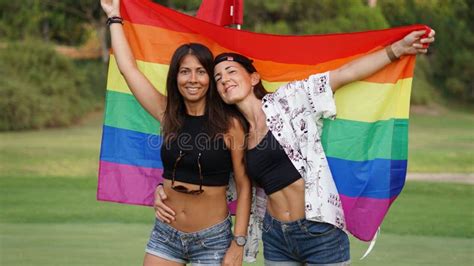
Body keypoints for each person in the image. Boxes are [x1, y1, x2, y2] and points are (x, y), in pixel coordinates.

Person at [156, 28, 436, 265]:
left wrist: (397, 49)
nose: (224, 79)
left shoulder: (290, 100)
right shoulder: (236, 130)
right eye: (217, 78)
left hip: (319, 229)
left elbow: (345, 74)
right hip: (275, 236)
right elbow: (207, 172)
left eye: (230, 71)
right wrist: (162, 190)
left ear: (253, 78)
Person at [100, 1, 252, 265]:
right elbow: (128, 69)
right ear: (175, 77)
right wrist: (114, 17)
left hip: (212, 240)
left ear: (210, 78)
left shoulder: (230, 125)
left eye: (200, 72)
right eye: (184, 71)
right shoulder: (166, 112)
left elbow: (244, 185)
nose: (192, 79)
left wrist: (238, 242)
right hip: (166, 235)